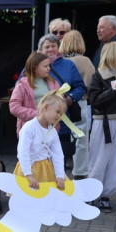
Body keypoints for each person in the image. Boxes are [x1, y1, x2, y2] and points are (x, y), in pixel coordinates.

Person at [86, 42, 116, 213]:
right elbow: (95, 101)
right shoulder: (98, 76)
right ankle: (91, 194)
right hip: (103, 122)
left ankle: (105, 196)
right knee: (99, 159)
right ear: (115, 54)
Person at [33, 34, 87, 162]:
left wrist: (71, 98)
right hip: (39, 122)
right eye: (47, 47)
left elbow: (80, 87)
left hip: (61, 123)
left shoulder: (68, 65)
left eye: (54, 46)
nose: (51, 49)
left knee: (58, 162)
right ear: (40, 50)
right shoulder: (33, 65)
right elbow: (22, 84)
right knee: (38, 162)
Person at [58, 30, 96, 178]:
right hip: (79, 103)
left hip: (59, 104)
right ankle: (80, 173)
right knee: (80, 140)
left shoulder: (60, 62)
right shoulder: (84, 61)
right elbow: (92, 83)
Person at [16, 94, 68, 192]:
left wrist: (60, 175)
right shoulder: (29, 128)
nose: (59, 116)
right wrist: (28, 174)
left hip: (46, 170)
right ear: (46, 107)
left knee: (48, 198)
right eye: (57, 112)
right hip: (28, 169)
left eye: (61, 114)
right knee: (29, 199)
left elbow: (58, 154)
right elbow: (23, 152)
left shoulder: (52, 131)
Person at [9, 52, 63, 135]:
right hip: (30, 130)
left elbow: (61, 103)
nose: (49, 68)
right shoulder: (22, 85)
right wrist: (38, 114)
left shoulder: (54, 82)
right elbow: (14, 107)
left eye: (49, 65)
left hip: (51, 129)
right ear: (35, 68)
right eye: (45, 66)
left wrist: (56, 113)